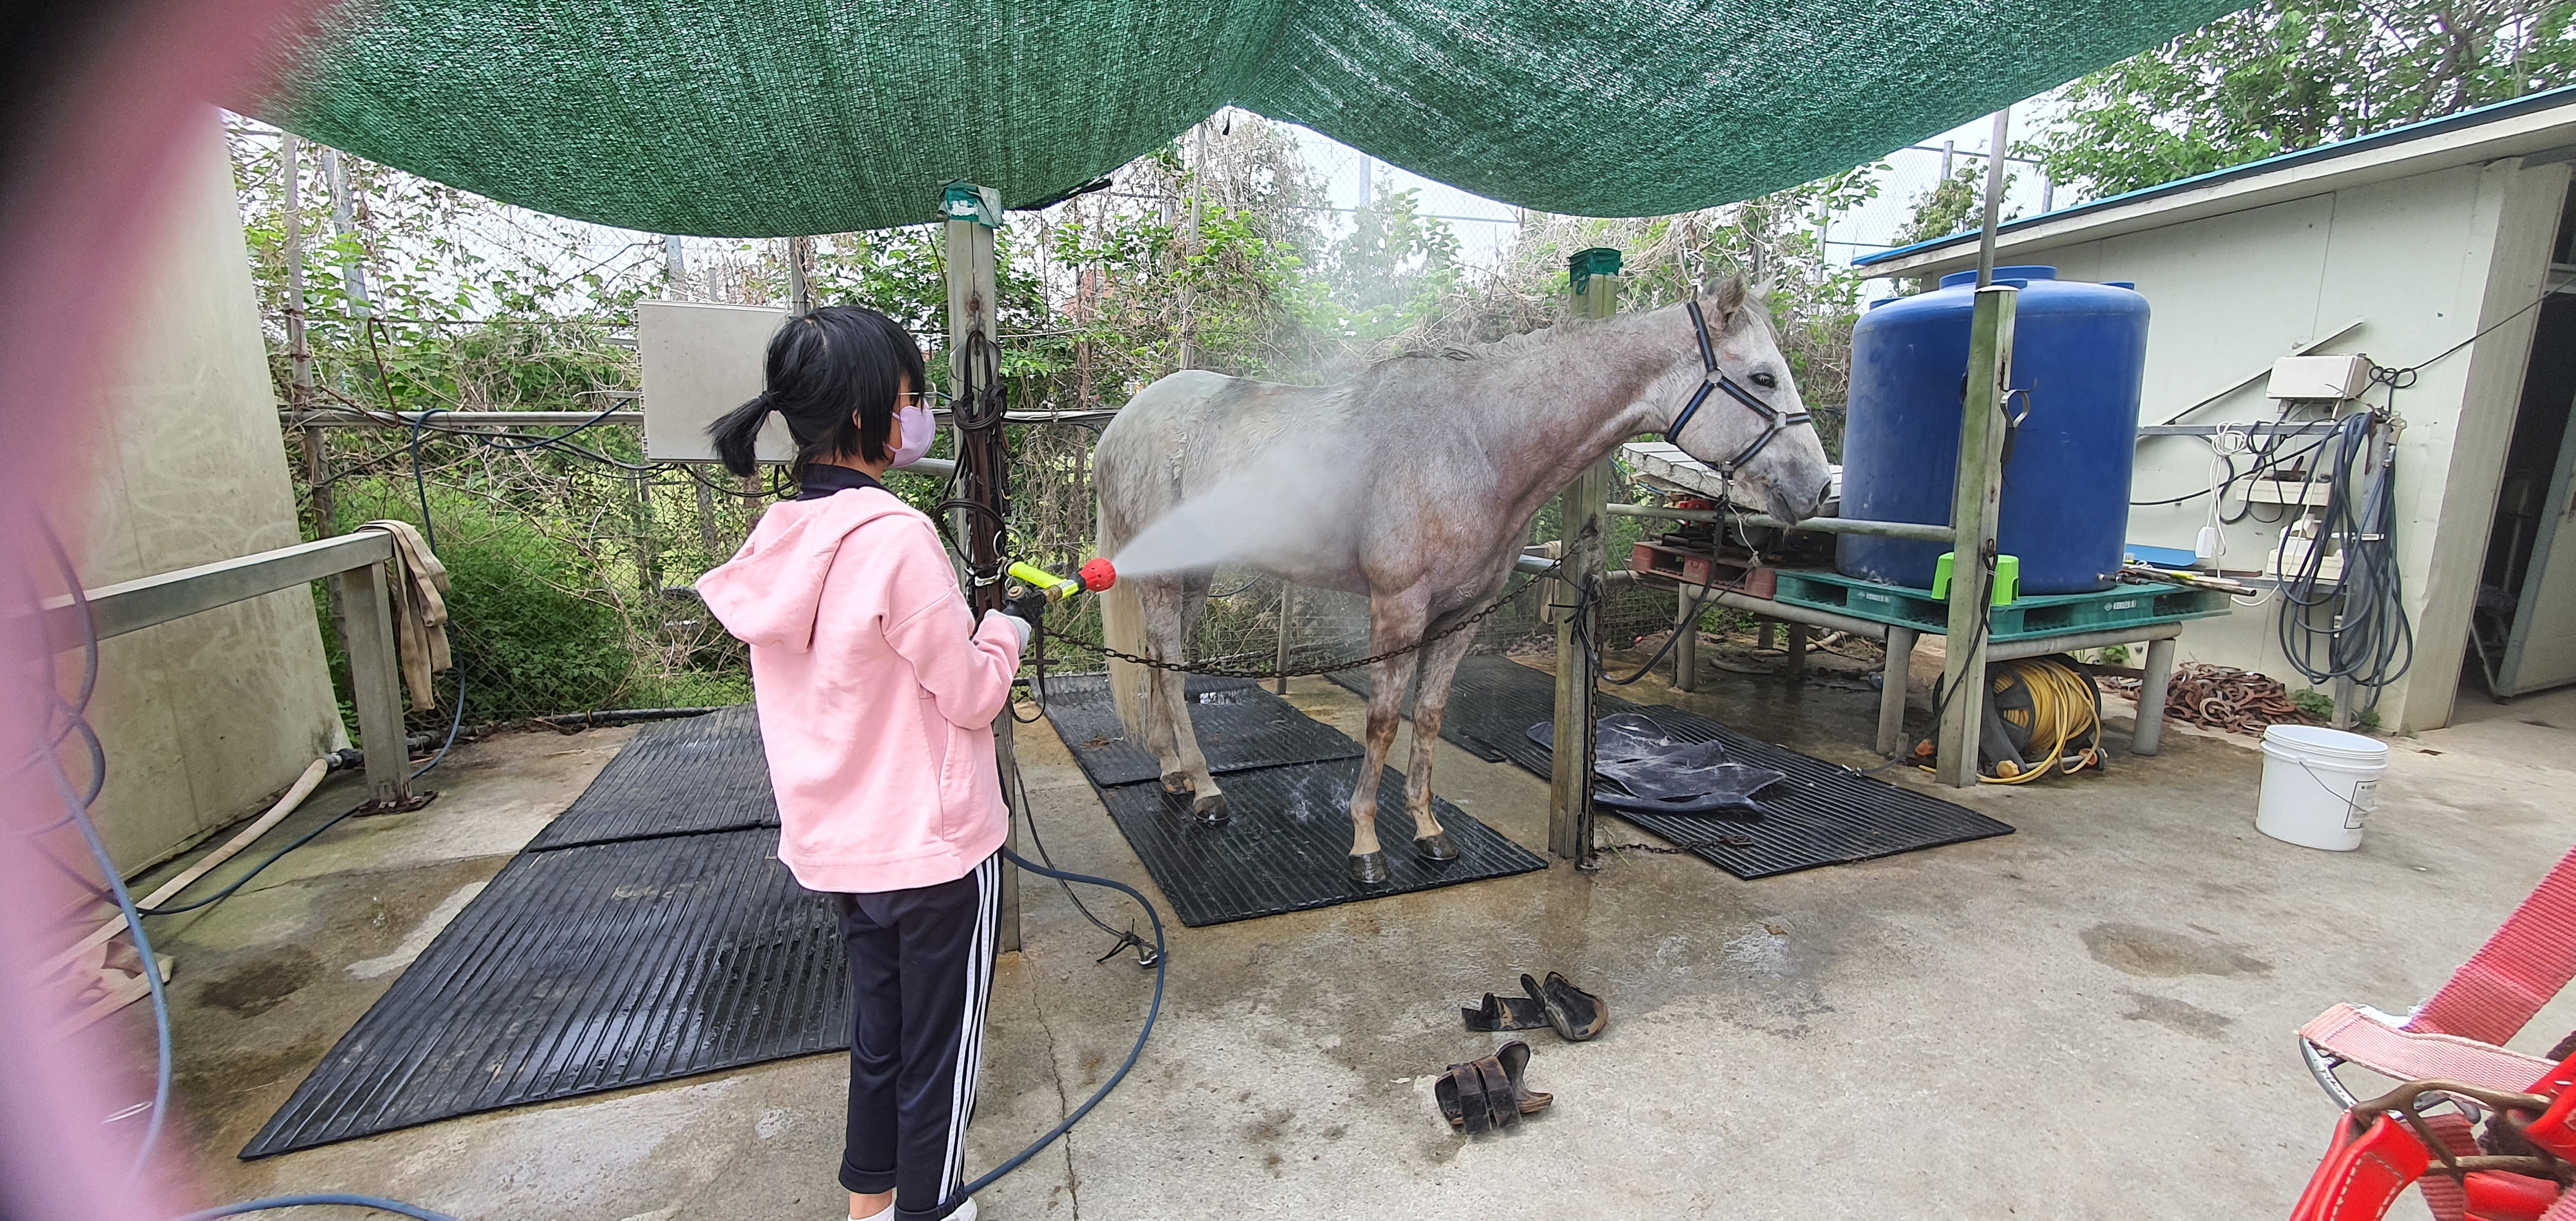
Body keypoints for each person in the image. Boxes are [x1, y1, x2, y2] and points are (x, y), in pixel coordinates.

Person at [695, 306, 1025, 1221]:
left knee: (881, 1034)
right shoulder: (894, 539)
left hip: (841, 845)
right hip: (935, 849)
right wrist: (1004, 634)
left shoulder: (778, 539)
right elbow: (968, 695)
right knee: (942, 1053)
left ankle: (869, 1205)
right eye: (913, 397)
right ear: (864, 416)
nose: (921, 414)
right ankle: (929, 1209)